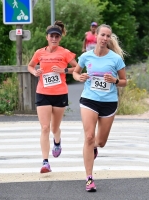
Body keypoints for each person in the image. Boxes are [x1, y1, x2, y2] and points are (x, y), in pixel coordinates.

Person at [73, 24, 127, 192]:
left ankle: (94, 148)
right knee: (89, 137)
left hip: (109, 103)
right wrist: (79, 77)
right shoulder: (86, 56)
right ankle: (89, 178)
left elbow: (124, 81)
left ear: (110, 39)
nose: (105, 38)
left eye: (108, 36)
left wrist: (115, 81)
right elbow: (75, 72)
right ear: (95, 36)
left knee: (100, 142)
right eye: (102, 35)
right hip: (89, 99)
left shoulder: (116, 59)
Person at [27, 20, 77, 173]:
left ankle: (57, 141)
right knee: (44, 127)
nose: (54, 38)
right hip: (43, 92)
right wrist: (34, 72)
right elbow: (29, 65)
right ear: (46, 37)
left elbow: (77, 68)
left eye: (57, 36)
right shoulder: (39, 52)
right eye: (52, 36)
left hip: (59, 93)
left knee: (55, 127)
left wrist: (63, 70)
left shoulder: (65, 53)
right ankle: (45, 162)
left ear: (60, 38)